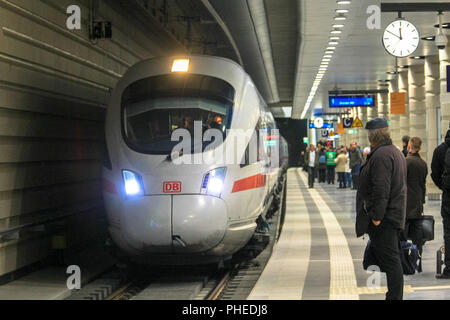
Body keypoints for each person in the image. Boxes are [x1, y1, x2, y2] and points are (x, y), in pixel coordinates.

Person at [356, 118, 407, 300]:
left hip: (384, 218)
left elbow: (381, 188)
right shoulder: (394, 152)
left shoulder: (381, 156)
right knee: (390, 259)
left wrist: (377, 217)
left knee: (392, 261)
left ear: (372, 136)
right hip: (392, 214)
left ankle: (394, 297)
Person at [403, 137, 427, 271]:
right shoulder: (423, 164)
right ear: (420, 148)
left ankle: (406, 261)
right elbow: (422, 184)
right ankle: (418, 261)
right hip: (418, 204)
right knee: (418, 237)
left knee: (403, 234)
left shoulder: (405, 162)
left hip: (405, 204)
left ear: (409, 147)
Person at [431, 127, 450, 279]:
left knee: (449, 233)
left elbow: (435, 173)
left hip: (448, 198)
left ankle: (449, 268)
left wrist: (444, 187)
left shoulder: (440, 150)